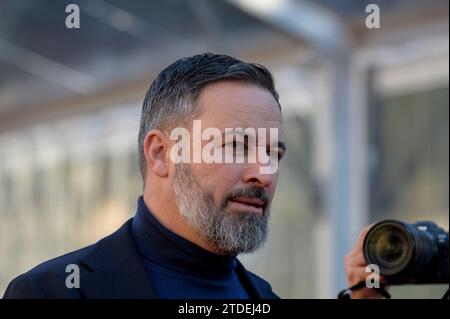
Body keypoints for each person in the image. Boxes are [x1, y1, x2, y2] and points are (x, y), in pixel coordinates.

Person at [3, 53, 382, 299]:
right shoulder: (52, 293)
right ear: (161, 154)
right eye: (237, 146)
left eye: (273, 153)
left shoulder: (263, 299)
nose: (263, 174)